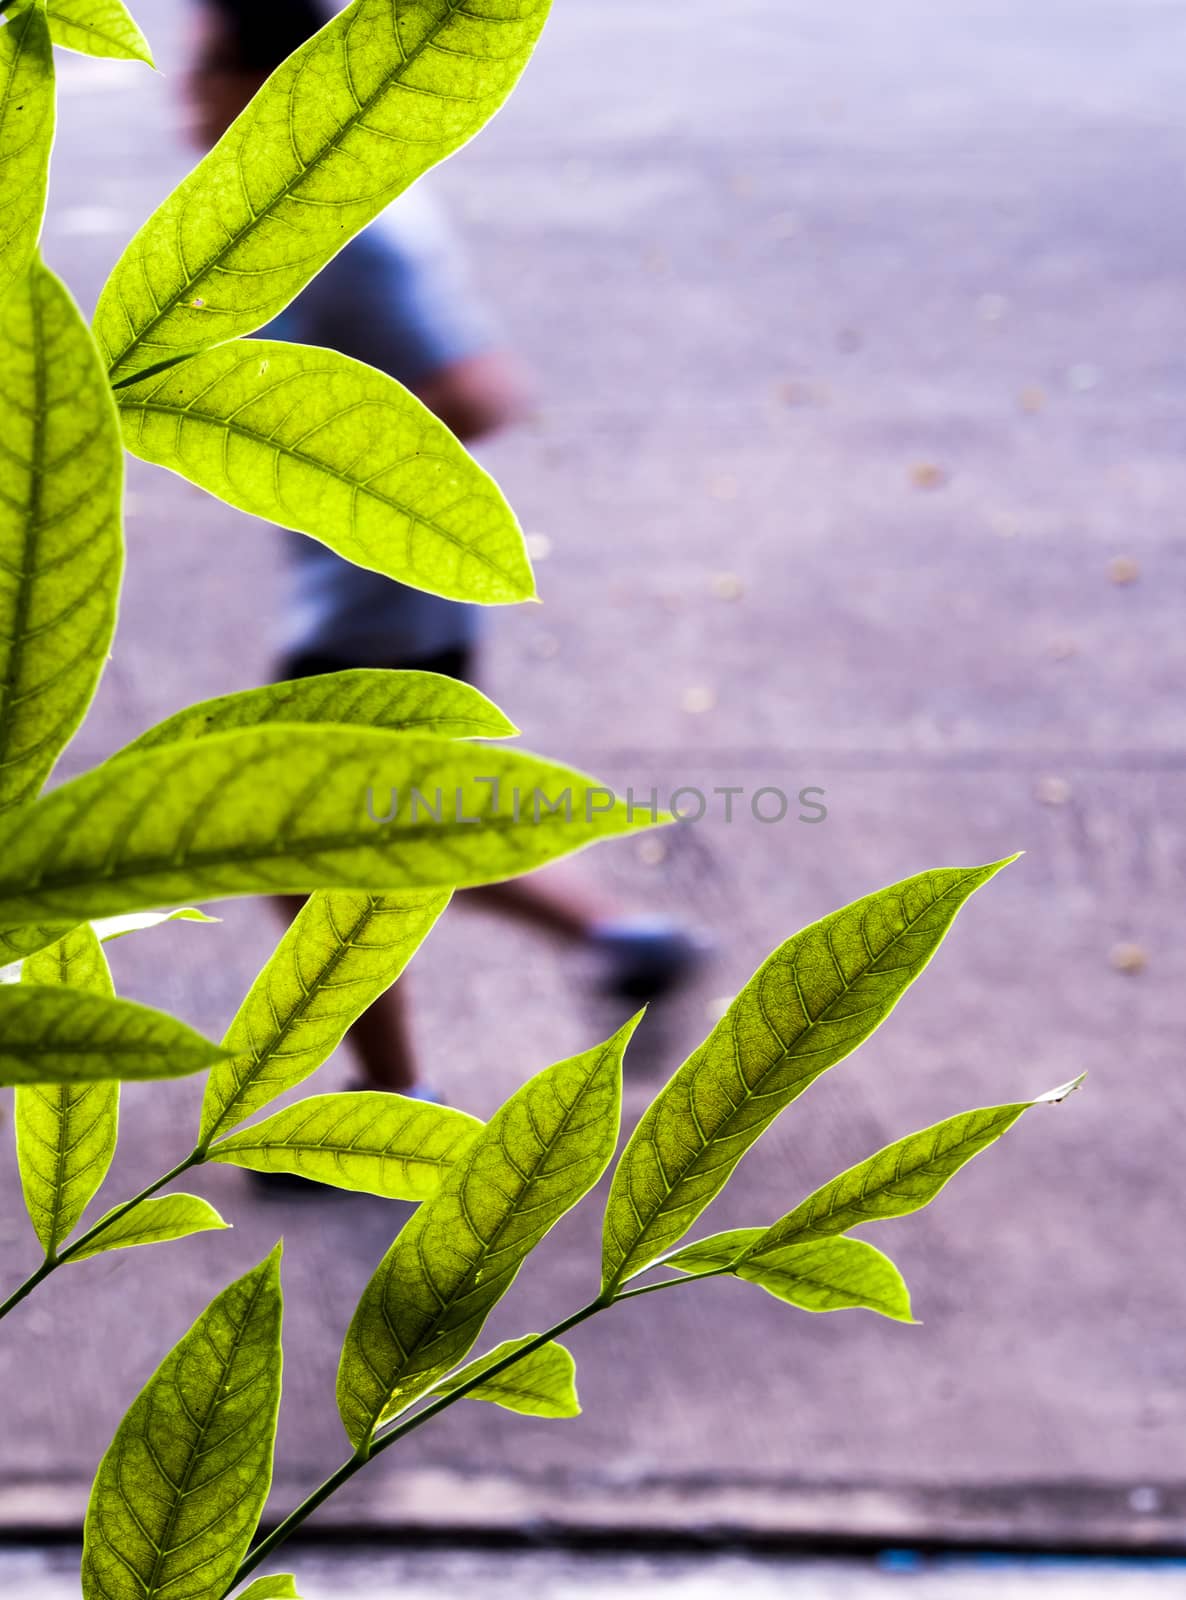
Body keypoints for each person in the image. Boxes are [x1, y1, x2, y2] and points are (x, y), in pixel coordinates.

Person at [183, 0, 709, 1100]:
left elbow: (474, 395)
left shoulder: (350, 232)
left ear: (268, 83)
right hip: (378, 601)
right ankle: (626, 939)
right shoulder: (317, 212)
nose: (183, 98)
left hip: (376, 610)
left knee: (306, 860)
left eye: (202, 70)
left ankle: (378, 1118)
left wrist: (317, 454)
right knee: (399, 833)